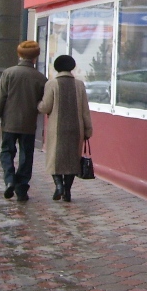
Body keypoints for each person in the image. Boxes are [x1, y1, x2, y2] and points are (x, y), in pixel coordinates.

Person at [0, 41, 47, 202]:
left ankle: (9, 179)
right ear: (35, 57)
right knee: (26, 155)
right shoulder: (41, 78)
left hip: (9, 122)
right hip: (28, 123)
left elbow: (0, 98)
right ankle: (21, 189)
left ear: (19, 55)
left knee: (7, 151)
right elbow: (43, 102)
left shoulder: (8, 73)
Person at [38, 54, 93, 203]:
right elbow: (85, 110)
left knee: (54, 158)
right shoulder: (79, 85)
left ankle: (59, 186)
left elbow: (45, 107)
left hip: (57, 128)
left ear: (57, 68)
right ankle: (67, 191)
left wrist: (38, 104)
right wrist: (88, 130)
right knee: (72, 160)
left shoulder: (52, 84)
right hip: (76, 128)